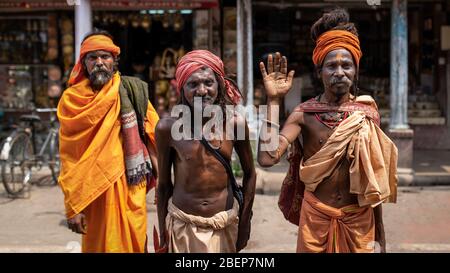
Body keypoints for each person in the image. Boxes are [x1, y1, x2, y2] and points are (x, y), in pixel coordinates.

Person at [257, 8, 397, 253]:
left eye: (347, 65)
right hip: (316, 220)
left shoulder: (367, 114)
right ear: (319, 71)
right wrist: (273, 101)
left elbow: (372, 182)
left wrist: (380, 235)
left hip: (359, 222)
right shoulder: (304, 114)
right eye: (331, 66)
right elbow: (267, 158)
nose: (339, 72)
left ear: (355, 71)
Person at [57, 30, 159, 252]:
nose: (99, 63)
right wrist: (72, 205)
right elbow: (69, 158)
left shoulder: (132, 90)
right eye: (93, 58)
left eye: (105, 57)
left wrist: (164, 186)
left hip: (130, 188)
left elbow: (153, 138)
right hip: (93, 193)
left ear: (114, 61)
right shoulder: (71, 101)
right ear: (83, 63)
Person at [155, 50, 256, 253]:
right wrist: (164, 233)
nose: (202, 91)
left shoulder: (235, 123)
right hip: (183, 225)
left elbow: (250, 174)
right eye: (193, 84)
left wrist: (244, 223)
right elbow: (164, 185)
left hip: (224, 224)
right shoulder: (167, 128)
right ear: (182, 88)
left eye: (208, 83)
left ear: (219, 85)